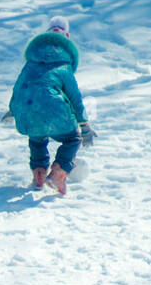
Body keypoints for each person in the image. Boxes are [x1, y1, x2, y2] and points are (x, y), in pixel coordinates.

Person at [8, 15, 95, 195]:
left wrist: (13, 109)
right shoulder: (64, 66)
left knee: (37, 137)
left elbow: (19, 87)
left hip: (29, 110)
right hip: (55, 110)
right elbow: (75, 98)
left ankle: (38, 174)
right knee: (72, 139)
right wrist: (84, 124)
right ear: (67, 39)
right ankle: (58, 172)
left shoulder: (31, 63)